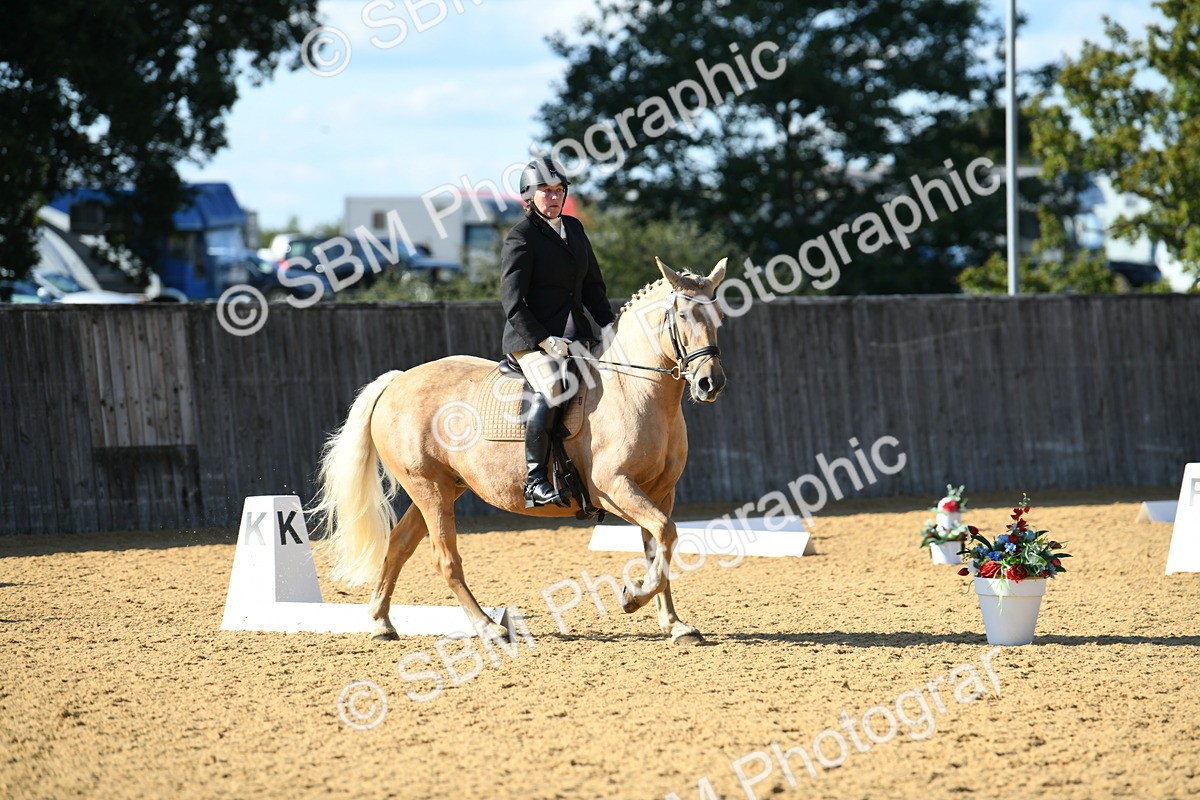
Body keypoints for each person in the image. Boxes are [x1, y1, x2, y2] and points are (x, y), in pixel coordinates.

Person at [500, 157, 616, 508]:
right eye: (545, 192)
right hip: (531, 341)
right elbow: (513, 302)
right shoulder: (521, 238)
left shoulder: (575, 229)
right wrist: (543, 340)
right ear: (529, 196)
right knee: (553, 386)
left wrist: (610, 326)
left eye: (558, 191)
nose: (553, 198)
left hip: (575, 337)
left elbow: (593, 287)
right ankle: (535, 480)